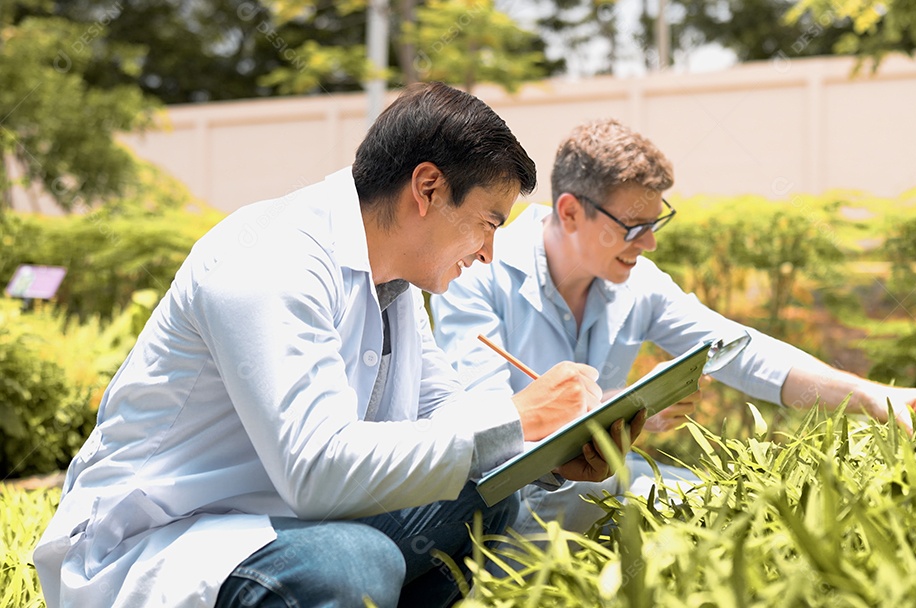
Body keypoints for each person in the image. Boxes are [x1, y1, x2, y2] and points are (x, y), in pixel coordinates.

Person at [33, 84, 643, 608]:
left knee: (486, 498)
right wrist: (517, 416)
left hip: (272, 522)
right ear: (427, 188)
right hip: (152, 542)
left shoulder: (396, 287)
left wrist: (546, 451)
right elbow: (316, 471)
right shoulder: (272, 259)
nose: (488, 252)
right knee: (354, 561)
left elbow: (444, 418)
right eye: (489, 222)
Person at [430, 118, 916, 537]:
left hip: (606, 495)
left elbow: (743, 353)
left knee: (750, 510)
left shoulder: (636, 281)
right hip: (500, 523)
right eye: (633, 228)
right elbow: (486, 437)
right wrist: (625, 410)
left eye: (655, 224)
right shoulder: (476, 269)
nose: (649, 243)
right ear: (570, 213)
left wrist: (875, 398)